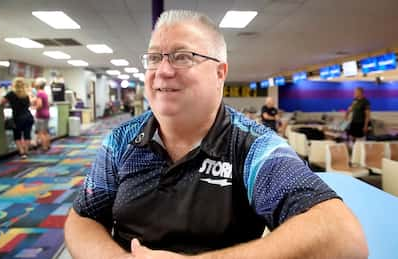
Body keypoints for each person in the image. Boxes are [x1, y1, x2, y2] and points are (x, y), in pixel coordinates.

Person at [65, 10, 368, 259]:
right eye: (155, 57)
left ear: (220, 73)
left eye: (182, 56)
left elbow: (343, 237)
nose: (163, 70)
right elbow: (83, 217)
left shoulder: (253, 147)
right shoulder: (120, 141)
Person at [0, 77, 34, 159]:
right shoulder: (26, 94)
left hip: (18, 117)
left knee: (17, 136)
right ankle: (26, 152)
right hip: (28, 117)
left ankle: (22, 152)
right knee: (27, 135)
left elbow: (1, 102)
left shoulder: (11, 94)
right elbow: (29, 104)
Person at [33, 77, 51, 151]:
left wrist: (33, 107)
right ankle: (47, 145)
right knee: (46, 132)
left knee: (41, 132)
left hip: (41, 115)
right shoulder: (44, 93)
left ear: (37, 85)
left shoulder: (39, 93)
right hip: (46, 114)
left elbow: (39, 105)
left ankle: (44, 147)